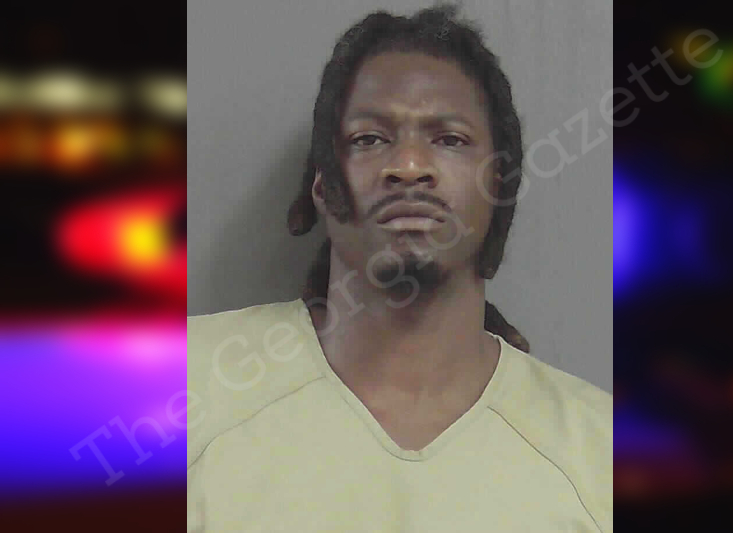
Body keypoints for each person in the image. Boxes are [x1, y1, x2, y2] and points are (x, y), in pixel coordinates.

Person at [187, 4, 611, 532]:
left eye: (449, 139)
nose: (409, 166)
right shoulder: (178, 390)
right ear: (322, 185)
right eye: (369, 139)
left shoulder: (601, 455)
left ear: (498, 185)